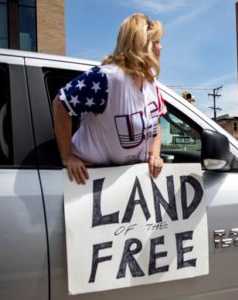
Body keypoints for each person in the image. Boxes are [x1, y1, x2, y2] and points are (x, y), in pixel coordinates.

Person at [53, 13, 166, 184]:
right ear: (142, 45)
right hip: (87, 179)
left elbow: (156, 121)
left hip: (124, 182)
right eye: (156, 42)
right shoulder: (107, 77)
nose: (161, 47)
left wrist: (154, 155)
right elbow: (60, 104)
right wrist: (67, 156)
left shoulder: (150, 80)